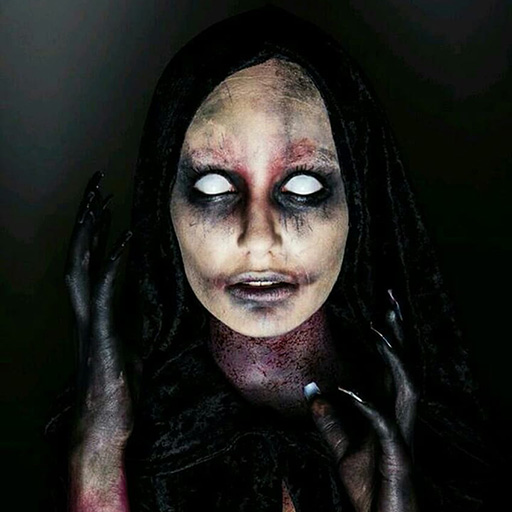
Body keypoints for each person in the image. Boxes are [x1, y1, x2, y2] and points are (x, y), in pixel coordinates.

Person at [56, 7, 490, 511]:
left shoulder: (448, 456)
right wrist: (96, 466)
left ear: (359, 204)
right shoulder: (115, 433)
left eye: (303, 186)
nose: (259, 239)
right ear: (163, 205)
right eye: (212, 186)